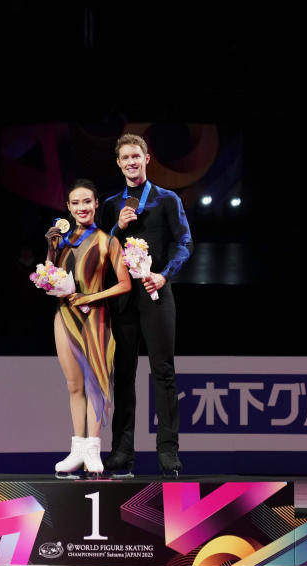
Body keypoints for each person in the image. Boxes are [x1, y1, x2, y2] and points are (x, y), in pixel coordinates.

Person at [99, 134, 193, 477]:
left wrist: (164, 275)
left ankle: (168, 452)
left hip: (157, 294)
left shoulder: (167, 199)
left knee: (163, 372)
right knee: (123, 375)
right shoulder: (111, 205)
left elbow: (184, 243)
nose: (131, 162)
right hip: (123, 299)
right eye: (125, 158)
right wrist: (115, 228)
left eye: (136, 156)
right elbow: (98, 251)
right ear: (119, 163)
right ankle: (121, 452)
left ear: (147, 158)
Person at [46, 179, 132, 477]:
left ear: (96, 204)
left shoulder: (109, 241)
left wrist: (91, 297)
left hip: (96, 317)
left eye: (87, 202)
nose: (82, 207)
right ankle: (77, 449)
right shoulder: (61, 242)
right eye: (75, 203)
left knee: (97, 383)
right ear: (68, 208)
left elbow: (124, 283)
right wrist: (50, 247)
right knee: (74, 385)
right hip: (65, 315)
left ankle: (93, 448)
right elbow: (50, 277)